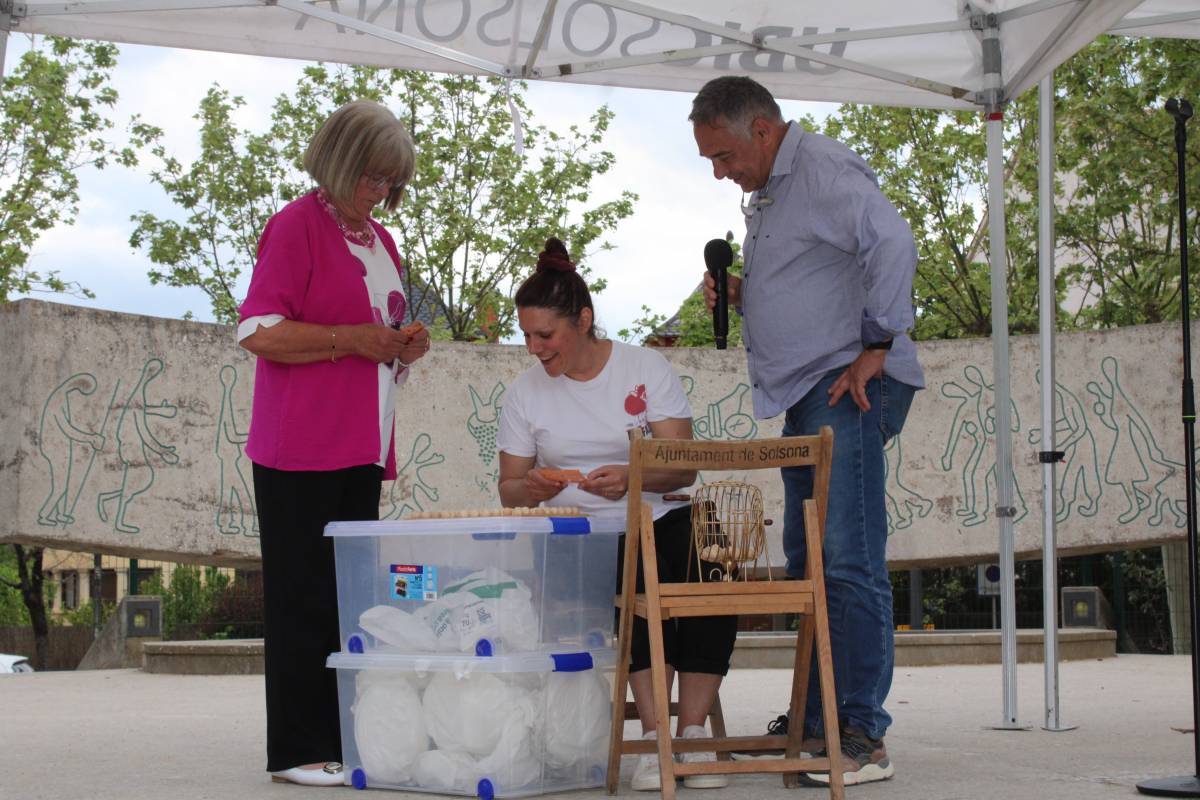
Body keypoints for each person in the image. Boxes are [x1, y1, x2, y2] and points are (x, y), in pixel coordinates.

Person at [691, 76, 924, 786]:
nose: (718, 170)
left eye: (724, 154)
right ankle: (819, 721)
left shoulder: (820, 166)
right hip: (808, 393)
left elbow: (894, 242)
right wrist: (744, 292)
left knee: (846, 558)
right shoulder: (772, 189)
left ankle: (860, 733)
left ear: (763, 129)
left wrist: (879, 342)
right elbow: (815, 273)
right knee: (811, 563)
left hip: (847, 386)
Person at [496, 238, 737, 792]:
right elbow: (509, 492)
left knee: (709, 554)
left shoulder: (643, 365)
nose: (533, 348)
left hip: (657, 513)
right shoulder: (524, 393)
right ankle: (655, 740)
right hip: (572, 533)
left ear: (582, 321)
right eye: (527, 335)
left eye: (545, 335)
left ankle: (693, 733)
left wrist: (632, 477)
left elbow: (683, 467)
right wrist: (532, 486)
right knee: (630, 566)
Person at [237, 100, 431, 787]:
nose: (380, 192)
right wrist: (350, 340)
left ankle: (342, 738)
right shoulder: (295, 227)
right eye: (372, 177)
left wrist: (405, 346)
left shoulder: (382, 242)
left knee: (350, 599)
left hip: (361, 443)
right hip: (299, 446)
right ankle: (295, 749)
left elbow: (383, 329)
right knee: (302, 597)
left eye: (390, 182)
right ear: (341, 162)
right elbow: (259, 330)